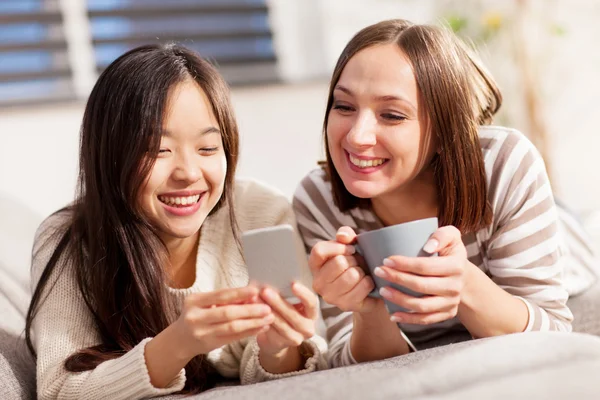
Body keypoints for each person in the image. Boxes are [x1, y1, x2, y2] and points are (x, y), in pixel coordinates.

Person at [25, 44, 326, 399]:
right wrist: (179, 342)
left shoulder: (261, 214)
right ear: (109, 155)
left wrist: (278, 349)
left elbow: (302, 370)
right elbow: (59, 389)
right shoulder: (69, 240)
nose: (188, 173)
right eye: (157, 150)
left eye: (208, 149)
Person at [292, 19, 598, 367]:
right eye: (344, 106)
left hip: (565, 242)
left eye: (391, 115)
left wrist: (466, 283)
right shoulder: (318, 199)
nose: (357, 136)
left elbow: (553, 332)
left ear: (443, 128)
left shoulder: (504, 162)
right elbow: (353, 361)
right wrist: (368, 306)